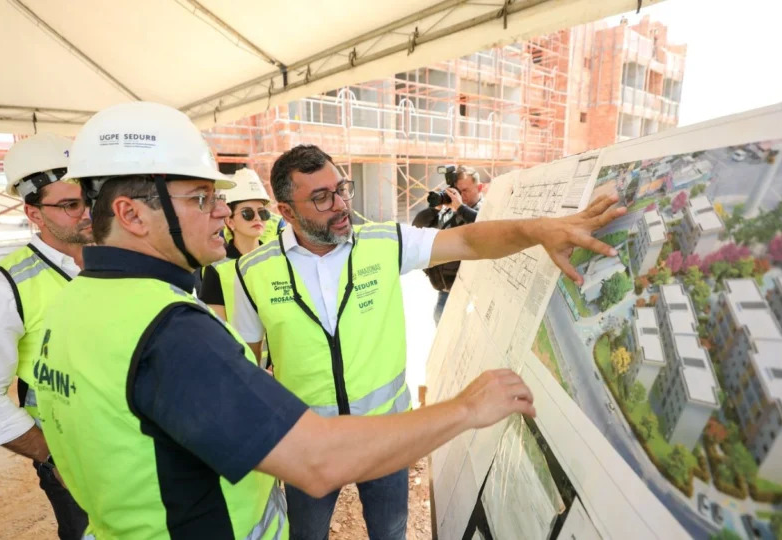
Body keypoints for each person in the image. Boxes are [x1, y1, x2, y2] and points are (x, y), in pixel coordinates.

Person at [33, 101, 537, 540]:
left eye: (342, 189)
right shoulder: (173, 330)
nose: (221, 215)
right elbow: (316, 461)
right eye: (202, 199)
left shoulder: (75, 303)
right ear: (132, 214)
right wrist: (467, 408)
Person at [232, 145, 623, 540]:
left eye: (342, 189)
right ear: (286, 211)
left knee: (390, 532)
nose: (339, 205)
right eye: (320, 197)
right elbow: (247, 366)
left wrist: (539, 231)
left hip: (388, 437)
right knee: (305, 535)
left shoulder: (385, 242)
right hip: (308, 443)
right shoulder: (251, 272)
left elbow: (469, 241)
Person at [0, 133, 91, 540]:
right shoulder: (1, 289)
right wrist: (52, 456)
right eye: (69, 204)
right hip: (77, 460)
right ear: (34, 213)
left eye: (89, 198)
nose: (86, 212)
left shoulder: (125, 262)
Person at [199, 168, 272, 322]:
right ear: (230, 222)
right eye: (247, 213)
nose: (257, 218)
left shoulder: (277, 258)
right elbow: (218, 324)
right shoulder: (216, 267)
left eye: (262, 212)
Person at [428, 166, 484, 325]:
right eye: (457, 192)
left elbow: (483, 226)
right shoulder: (451, 210)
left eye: (465, 190)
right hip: (446, 288)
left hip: (471, 291)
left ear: (479, 188)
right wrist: (435, 210)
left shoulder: (485, 210)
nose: (461, 196)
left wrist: (460, 208)